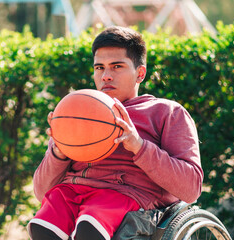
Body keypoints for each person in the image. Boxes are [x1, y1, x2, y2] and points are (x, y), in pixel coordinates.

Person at [27, 26, 203, 240]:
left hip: (126, 200)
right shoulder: (78, 110)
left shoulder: (166, 112)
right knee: (42, 227)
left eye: (116, 66)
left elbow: (191, 188)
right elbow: (41, 192)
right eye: (99, 67)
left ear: (140, 73)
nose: (106, 76)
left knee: (90, 226)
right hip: (71, 193)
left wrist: (138, 145)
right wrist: (59, 151)